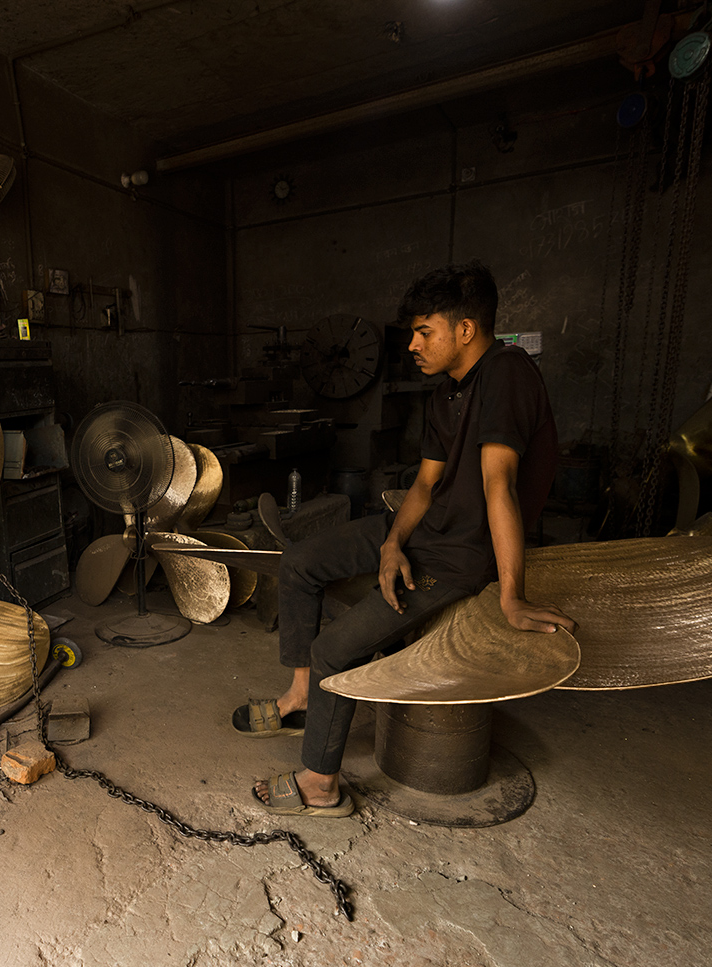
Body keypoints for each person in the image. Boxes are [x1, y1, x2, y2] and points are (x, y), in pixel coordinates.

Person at [241, 260, 574, 816]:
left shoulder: (508, 373)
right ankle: (301, 696)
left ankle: (320, 785)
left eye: (425, 331)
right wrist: (392, 543)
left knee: (336, 650)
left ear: (464, 330)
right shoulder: (447, 394)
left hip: (461, 556)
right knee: (299, 563)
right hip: (424, 531)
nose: (414, 345)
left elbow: (500, 483)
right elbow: (423, 484)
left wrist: (512, 592)